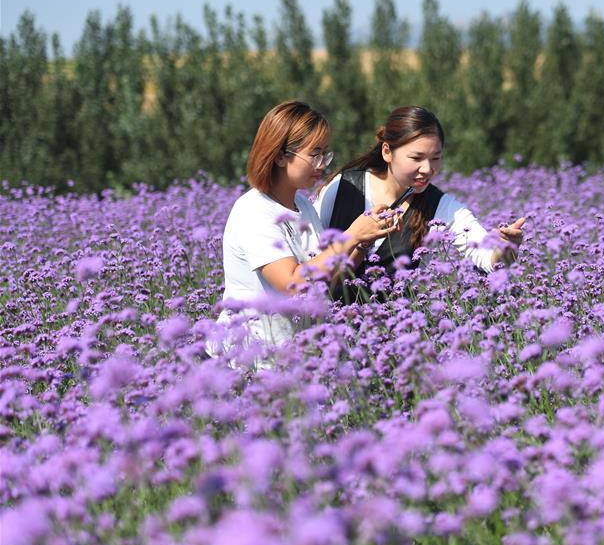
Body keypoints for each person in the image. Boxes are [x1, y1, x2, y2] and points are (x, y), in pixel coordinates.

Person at [210, 101, 400, 356]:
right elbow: (292, 284)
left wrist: (364, 241)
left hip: (292, 359)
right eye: (315, 154)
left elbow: (325, 278)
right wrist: (352, 234)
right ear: (279, 155)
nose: (323, 163)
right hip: (248, 361)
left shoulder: (302, 205)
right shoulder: (253, 211)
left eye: (325, 153)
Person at [314, 106, 526, 302]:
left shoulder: (440, 206)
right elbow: (307, 255)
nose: (427, 169)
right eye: (416, 158)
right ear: (387, 151)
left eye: (435, 158)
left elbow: (487, 256)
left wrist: (507, 248)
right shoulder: (343, 187)